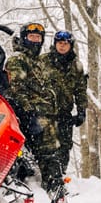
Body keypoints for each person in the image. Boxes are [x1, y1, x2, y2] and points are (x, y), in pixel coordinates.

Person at [5, 22, 65, 196]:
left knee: (50, 150)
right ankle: (52, 186)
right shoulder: (18, 59)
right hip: (30, 114)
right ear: (24, 38)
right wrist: (28, 111)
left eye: (38, 38)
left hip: (44, 113)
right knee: (48, 149)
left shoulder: (37, 62)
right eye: (32, 37)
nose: (35, 41)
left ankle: (51, 184)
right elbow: (16, 87)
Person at [41, 30, 88, 175]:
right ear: (55, 44)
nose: (62, 46)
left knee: (65, 146)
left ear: (70, 46)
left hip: (64, 113)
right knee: (45, 146)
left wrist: (81, 110)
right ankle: (44, 177)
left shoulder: (76, 65)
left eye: (65, 44)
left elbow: (80, 90)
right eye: (59, 43)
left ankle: (61, 175)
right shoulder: (43, 61)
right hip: (44, 112)